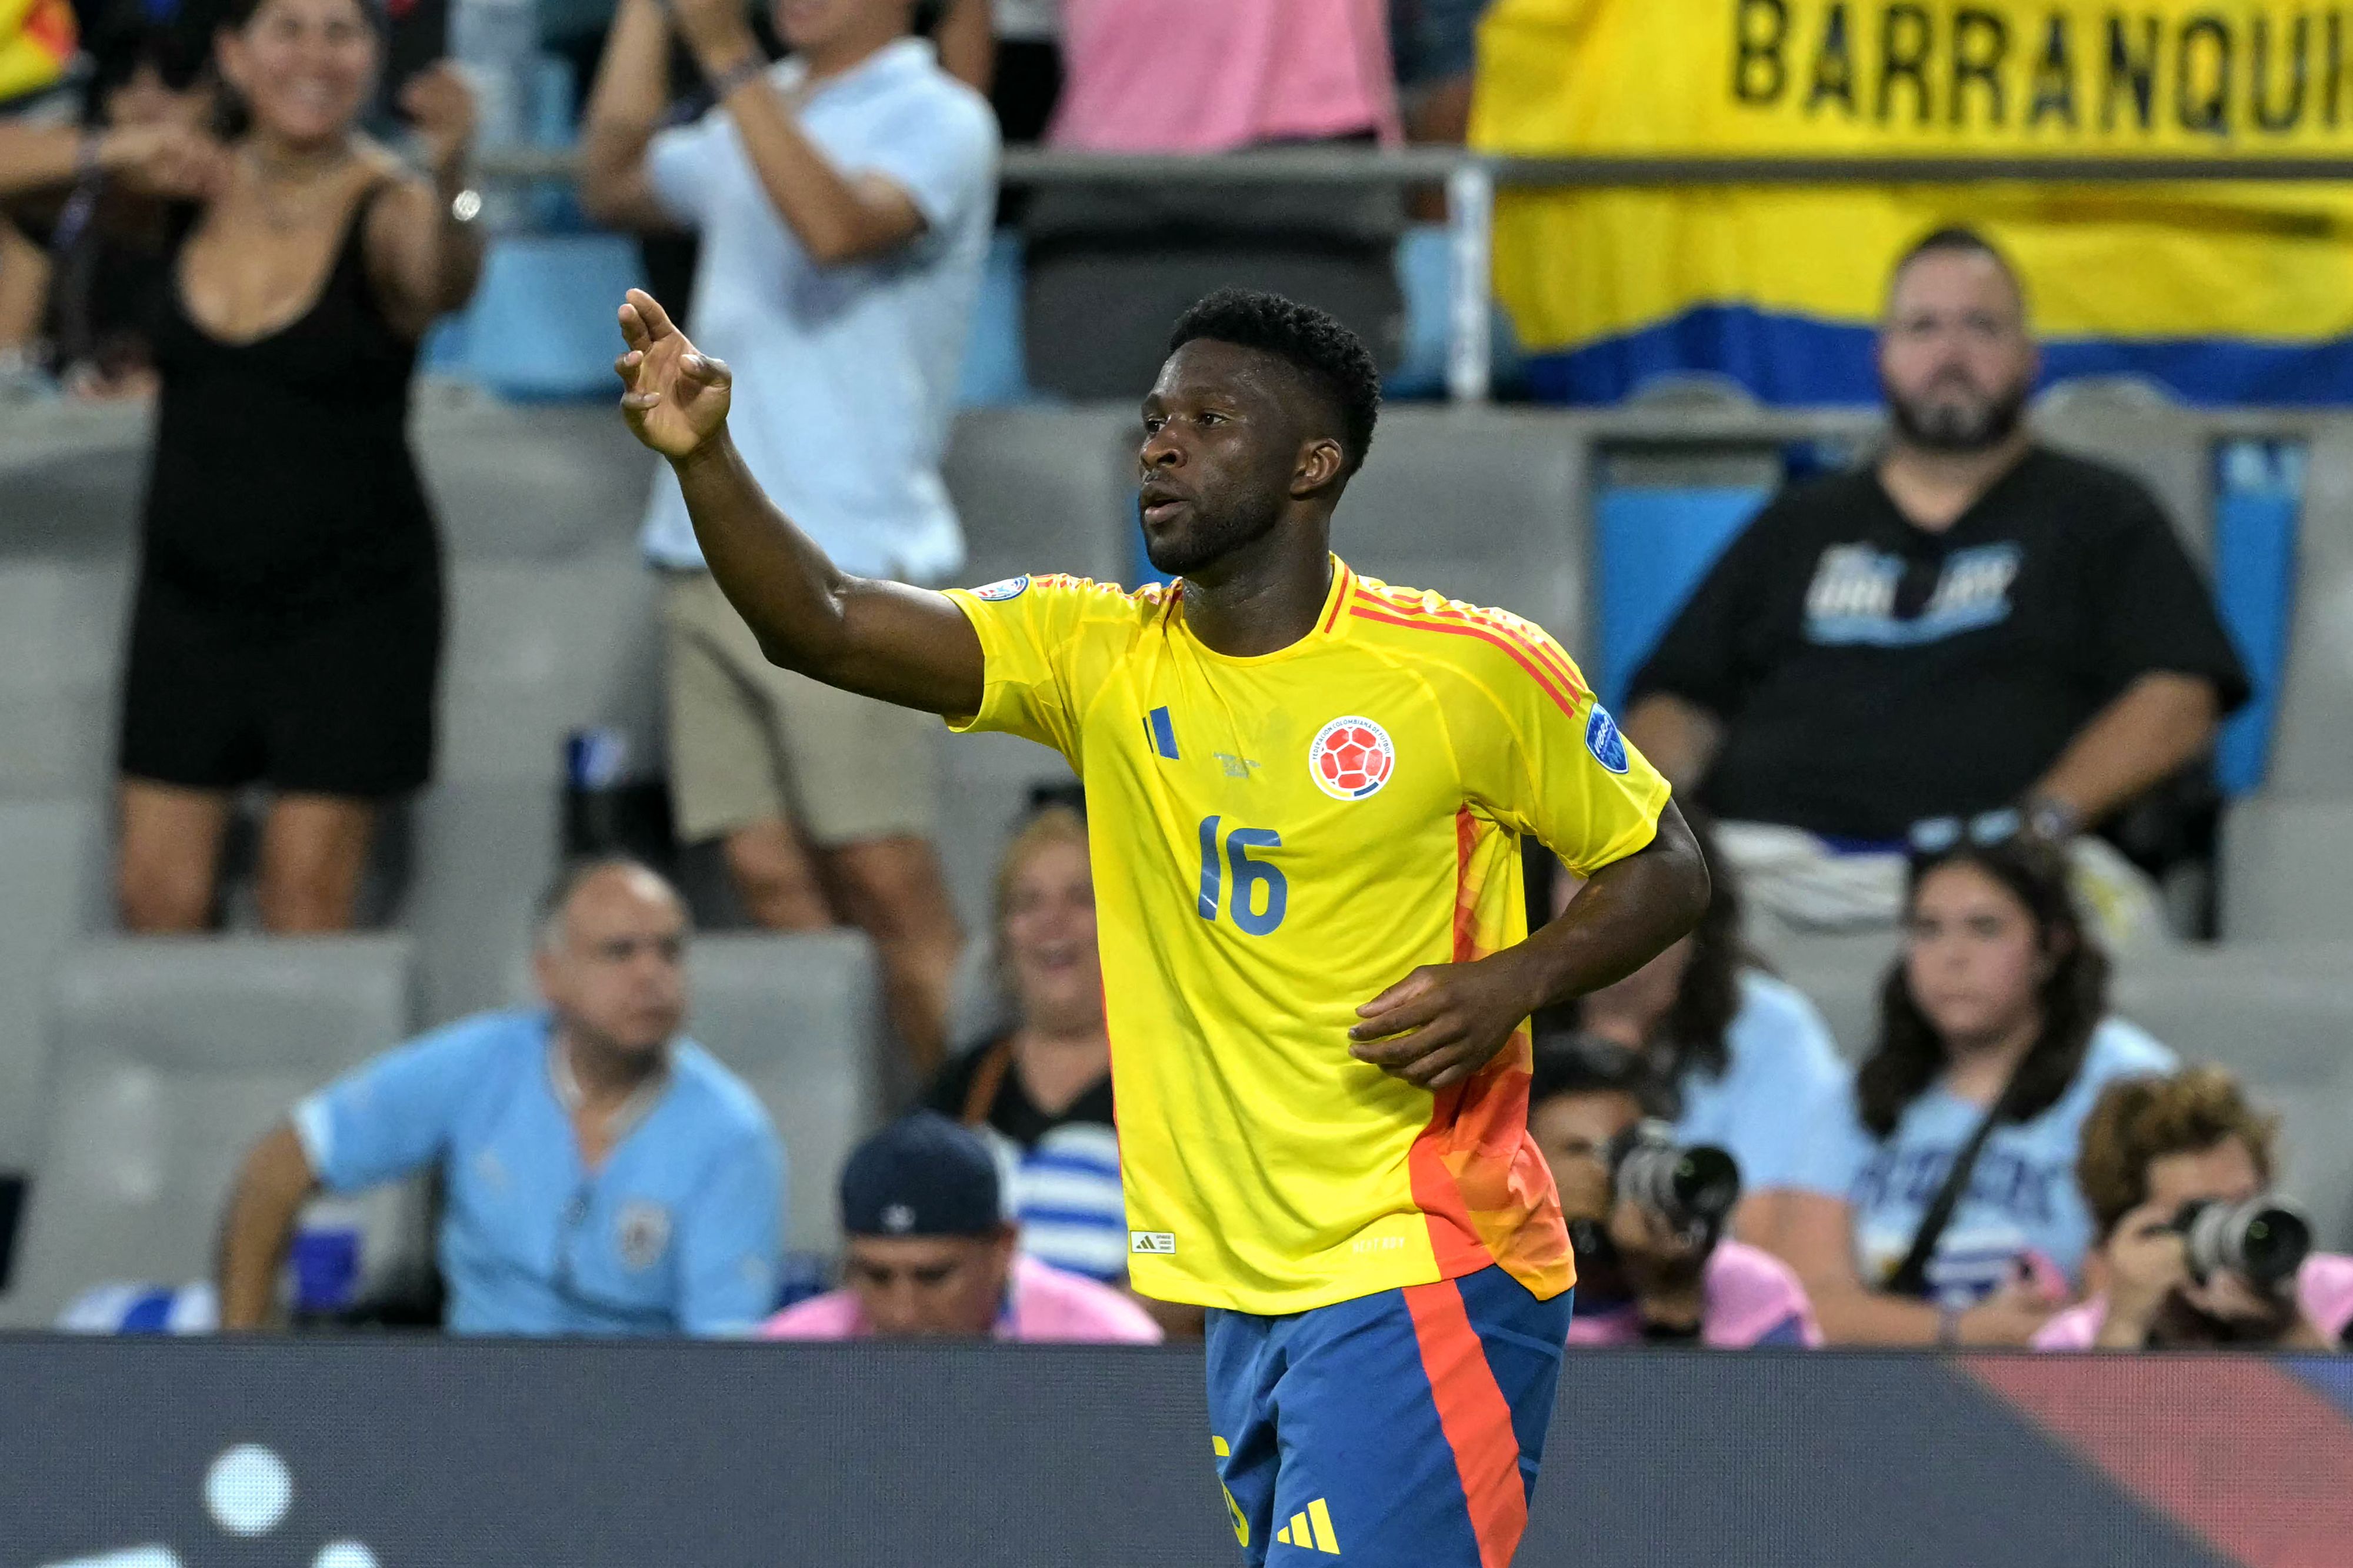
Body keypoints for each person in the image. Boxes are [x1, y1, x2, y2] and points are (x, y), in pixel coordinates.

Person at [612, 281, 1710, 1564]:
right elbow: (827, 626)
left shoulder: (1464, 671)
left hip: (1421, 1252)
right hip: (1237, 1286)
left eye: (1207, 418)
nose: (1160, 442)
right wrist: (708, 459)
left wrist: (1513, 977)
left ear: (1314, 465)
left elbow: (1664, 861)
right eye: (1151, 418)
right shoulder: (1098, 656)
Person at [580, 0, 996, 1076]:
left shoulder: (941, 117)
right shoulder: (751, 117)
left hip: (848, 561)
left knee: (885, 874)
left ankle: (987, 1144)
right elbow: (612, 177)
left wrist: (724, 53)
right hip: (699, 548)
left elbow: (837, 227)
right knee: (761, 871)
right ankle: (871, 1123)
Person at [1623, 227, 2249, 938]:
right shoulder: (1799, 522)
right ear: (1882, 357)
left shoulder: (2103, 513)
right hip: (1775, 870)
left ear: (2029, 359)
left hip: (2017, 873)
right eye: (1924, 327)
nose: (1951, 356)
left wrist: (2039, 827)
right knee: (1637, 925)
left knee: (2110, 924)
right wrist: (1641, 832)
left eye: (1980, 327)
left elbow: (2178, 698)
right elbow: (1678, 699)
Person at [112, 0, 481, 933]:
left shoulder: (392, 199)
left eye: (341, 32)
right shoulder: (178, 188)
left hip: (352, 606)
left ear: (374, 57)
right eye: (288, 29)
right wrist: (114, 152)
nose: (315, 56)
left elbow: (440, 283)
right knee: (156, 901)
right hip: (188, 603)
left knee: (304, 902)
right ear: (233, 55)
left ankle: (305, 1090)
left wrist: (455, 173)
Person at [217, 858, 785, 1335]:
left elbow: (725, 1361)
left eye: (669, 951)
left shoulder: (732, 1135)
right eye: (620, 952)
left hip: (639, 1425)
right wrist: (243, 1364)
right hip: (471, 1405)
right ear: (550, 974)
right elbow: (278, 1166)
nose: (651, 975)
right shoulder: (482, 1065)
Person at [1769, 832, 2175, 1346]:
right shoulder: (1857, 1095)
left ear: (2052, 948)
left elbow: (2152, 1279)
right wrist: (1963, 1331)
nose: (1952, 957)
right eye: (1928, 930)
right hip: (1884, 1396)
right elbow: (1805, 1304)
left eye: (1985, 929)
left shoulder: (2129, 1083)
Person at [1569, 813, 1844, 1250]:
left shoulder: (1770, 1027)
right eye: (1582, 873)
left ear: (1696, 892)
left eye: (1635, 872)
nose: (1608, 899)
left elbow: (1767, 1242)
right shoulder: (1499, 1012)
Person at [924, 803, 1124, 1285]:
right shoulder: (966, 1083)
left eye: (1081, 898)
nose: (1052, 922)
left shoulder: (1173, 1078)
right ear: (1001, 940)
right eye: (1027, 904)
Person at [762, 1111, 1161, 1342]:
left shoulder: (1106, 1346)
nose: (904, 1313)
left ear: (1003, 1248)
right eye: (877, 1276)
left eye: (934, 1276)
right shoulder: (790, 1354)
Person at [1529, 1032, 1819, 1349]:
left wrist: (1675, 1306)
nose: (1611, 1171)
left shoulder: (1754, 1292)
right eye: (1580, 1150)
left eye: (1627, 1147)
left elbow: (1779, 1399)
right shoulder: (1493, 1304)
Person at [2036, 1067, 2352, 1352]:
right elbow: (2092, 1417)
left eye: (2243, 1203)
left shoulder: (2342, 1297)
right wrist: (2125, 1327)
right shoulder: (2075, 1343)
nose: (2232, 1229)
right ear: (2125, 1232)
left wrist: (2291, 1329)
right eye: (2200, 1213)